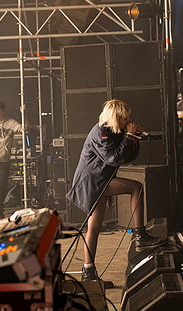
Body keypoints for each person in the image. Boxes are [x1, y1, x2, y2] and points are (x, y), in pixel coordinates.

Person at [66, 99, 161, 281]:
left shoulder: (115, 131)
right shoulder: (101, 132)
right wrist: (128, 137)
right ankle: (140, 234)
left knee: (94, 228)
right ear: (116, 117)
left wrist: (134, 138)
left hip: (100, 179)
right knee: (136, 187)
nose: (128, 121)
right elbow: (113, 159)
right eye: (125, 119)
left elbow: (127, 156)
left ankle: (88, 272)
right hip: (92, 181)